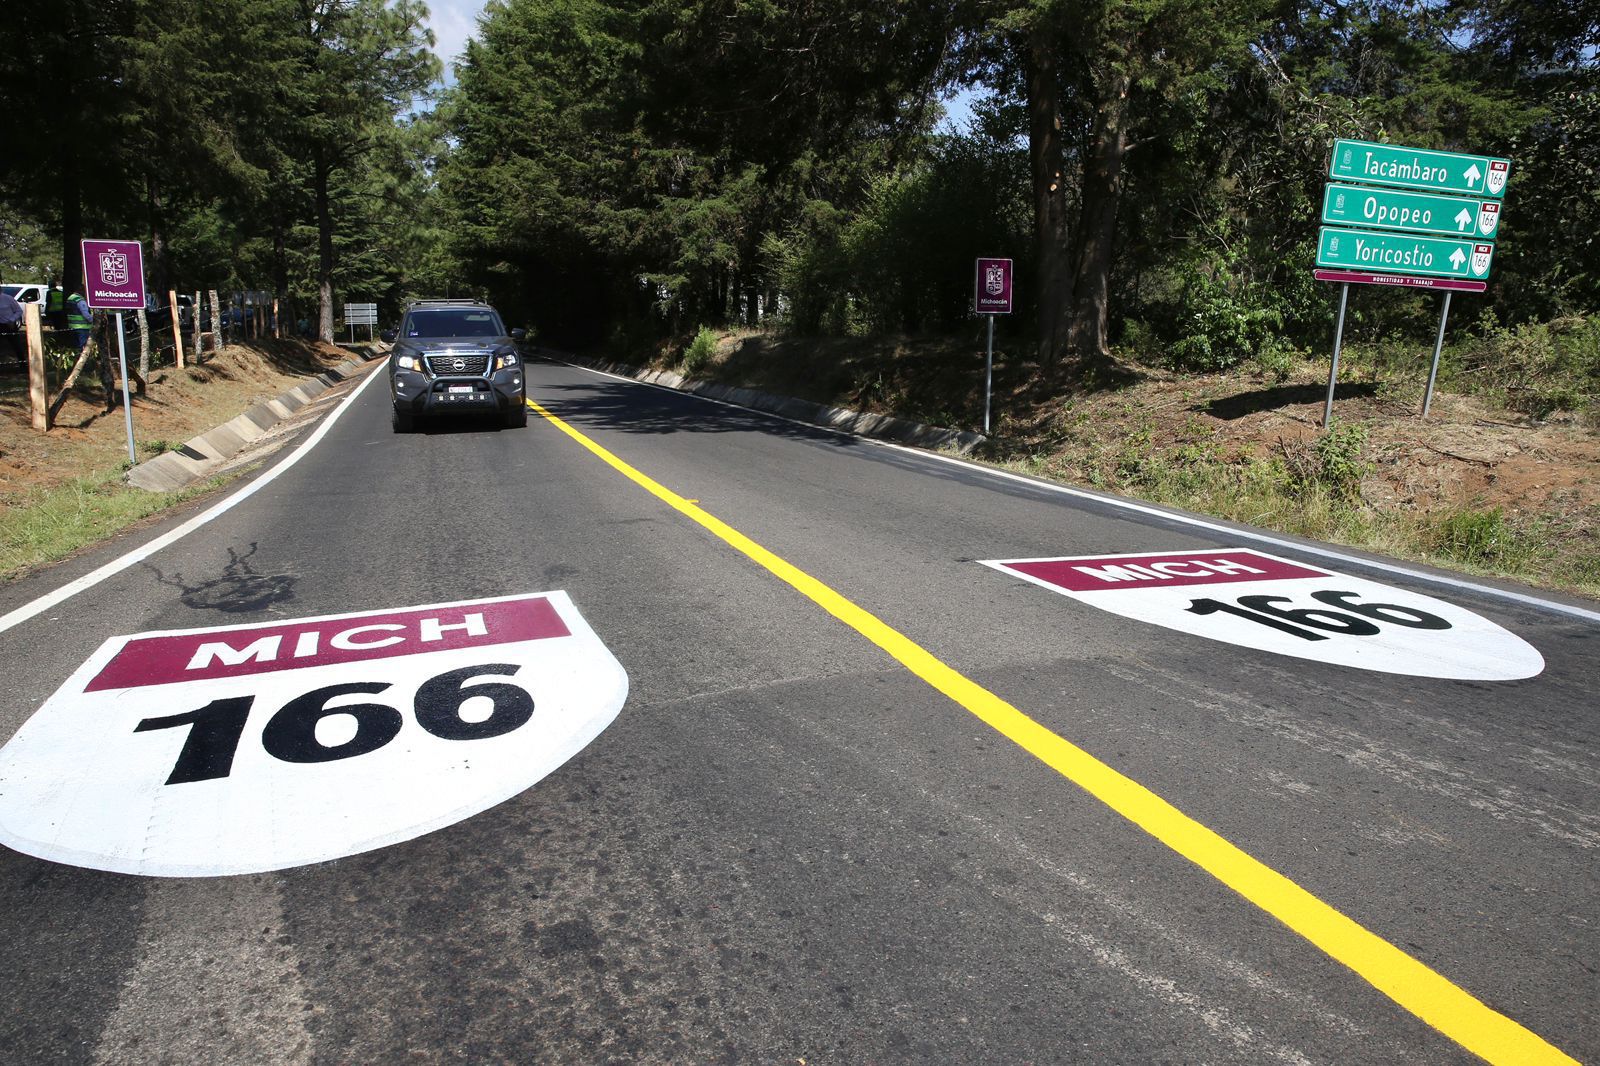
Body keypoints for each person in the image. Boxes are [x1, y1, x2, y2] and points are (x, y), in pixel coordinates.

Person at [0, 288, 24, 365]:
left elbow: (19, 311)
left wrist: (11, 320)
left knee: (16, 344)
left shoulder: (8, 298)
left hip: (9, 325)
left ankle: (22, 363)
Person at [65, 290, 93, 356]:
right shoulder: (80, 300)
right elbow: (86, 314)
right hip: (82, 327)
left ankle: (76, 358)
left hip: (72, 326)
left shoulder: (71, 298)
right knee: (83, 347)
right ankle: (85, 362)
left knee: (76, 346)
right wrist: (93, 320)